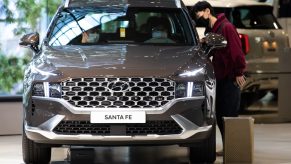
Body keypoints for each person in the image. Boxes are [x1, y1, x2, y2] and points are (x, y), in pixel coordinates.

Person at [192, 1, 246, 156]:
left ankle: (232, 149)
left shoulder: (226, 27)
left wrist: (238, 72)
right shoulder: (212, 29)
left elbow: (237, 52)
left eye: (199, 15)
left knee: (229, 115)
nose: (199, 19)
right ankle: (228, 147)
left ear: (207, 11)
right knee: (221, 113)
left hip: (229, 78)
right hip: (218, 78)